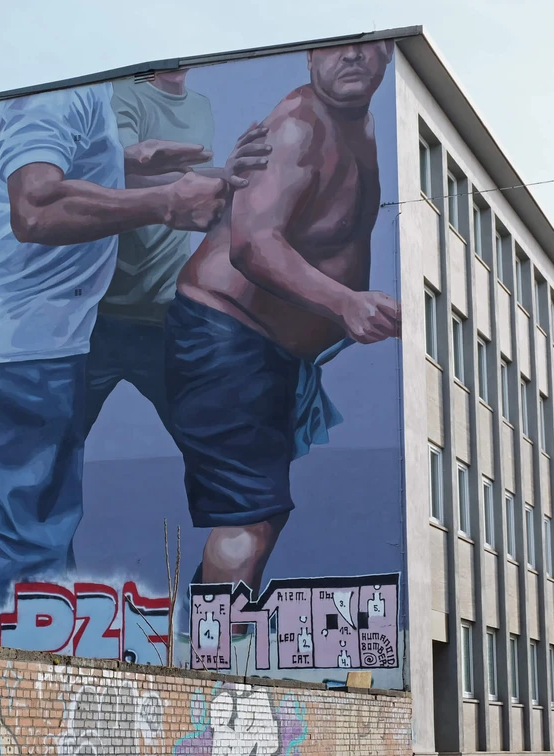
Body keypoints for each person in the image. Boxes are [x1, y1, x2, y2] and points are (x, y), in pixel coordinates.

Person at [0, 81, 229, 636]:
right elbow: (35, 207)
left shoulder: (63, 91)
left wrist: (125, 160)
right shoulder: (54, 93)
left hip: (5, 341)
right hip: (28, 347)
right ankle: (29, 695)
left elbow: (49, 169)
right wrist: (164, 203)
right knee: (35, 529)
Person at [165, 42, 402, 599]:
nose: (354, 56)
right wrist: (345, 303)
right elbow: (253, 245)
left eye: (368, 45)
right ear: (310, 58)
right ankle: (210, 674)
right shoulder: (297, 126)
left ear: (388, 53)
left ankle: (208, 653)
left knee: (262, 517)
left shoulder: (361, 123)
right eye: (339, 47)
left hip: (264, 351)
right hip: (225, 339)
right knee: (248, 518)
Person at [81, 70, 271, 439]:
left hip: (165, 314)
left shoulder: (201, 106)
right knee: (54, 452)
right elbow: (119, 172)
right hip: (99, 317)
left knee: (210, 444)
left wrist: (226, 175)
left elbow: (192, 180)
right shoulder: (125, 93)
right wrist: (210, 181)